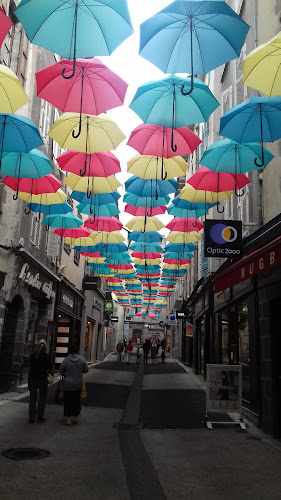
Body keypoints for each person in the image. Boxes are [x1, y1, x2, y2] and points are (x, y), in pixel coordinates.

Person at [59, 344, 89, 426]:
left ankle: (68, 419)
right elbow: (86, 370)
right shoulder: (81, 359)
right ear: (77, 351)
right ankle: (75, 418)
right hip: (78, 384)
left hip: (67, 385)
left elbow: (61, 371)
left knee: (67, 401)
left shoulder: (65, 360)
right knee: (76, 401)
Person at [28, 339, 51, 424]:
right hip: (42, 379)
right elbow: (49, 367)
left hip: (32, 379)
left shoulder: (33, 356)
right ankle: (40, 416)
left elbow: (30, 366)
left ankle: (31, 418)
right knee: (42, 398)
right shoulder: (46, 356)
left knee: (32, 399)